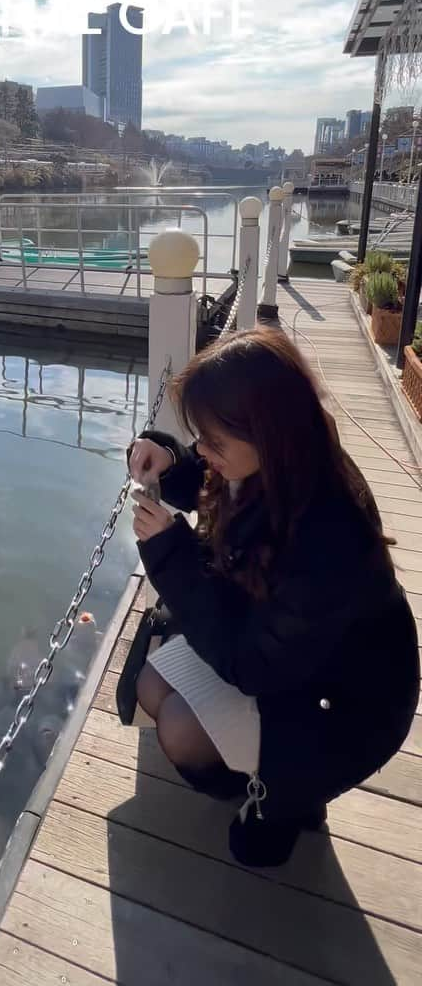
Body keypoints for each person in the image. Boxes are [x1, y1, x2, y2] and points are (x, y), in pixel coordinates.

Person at [128, 328, 419, 867]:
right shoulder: (286, 462)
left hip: (344, 709)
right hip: (295, 658)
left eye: (213, 441)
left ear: (266, 433)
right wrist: (165, 460)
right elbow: (216, 485)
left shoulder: (330, 533)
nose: (202, 451)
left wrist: (171, 556)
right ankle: (267, 777)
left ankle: (286, 802)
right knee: (152, 685)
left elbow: (252, 667)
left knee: (180, 728)